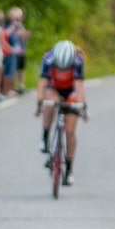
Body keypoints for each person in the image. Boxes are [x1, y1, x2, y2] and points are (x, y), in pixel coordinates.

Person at [37, 40, 88, 185]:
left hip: (71, 90)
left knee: (70, 130)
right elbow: (42, 83)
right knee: (49, 102)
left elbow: (79, 85)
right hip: (53, 88)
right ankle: (45, 136)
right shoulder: (48, 58)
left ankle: (69, 169)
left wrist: (82, 105)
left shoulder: (78, 60)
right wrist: (40, 102)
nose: (62, 71)